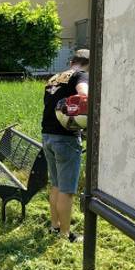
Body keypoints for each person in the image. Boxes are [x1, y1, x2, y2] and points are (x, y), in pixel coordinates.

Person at [41, 49, 89, 242]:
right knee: (67, 190)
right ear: (89, 64)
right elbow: (84, 97)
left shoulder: (54, 78)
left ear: (72, 62)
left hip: (48, 135)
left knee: (56, 185)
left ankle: (55, 226)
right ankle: (65, 235)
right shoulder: (81, 75)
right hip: (65, 139)